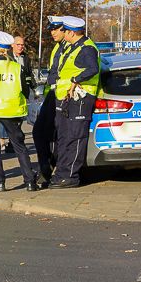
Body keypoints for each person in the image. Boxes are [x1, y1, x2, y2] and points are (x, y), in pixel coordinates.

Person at [0, 32, 38, 192]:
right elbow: (24, 90)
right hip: (11, 112)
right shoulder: (17, 68)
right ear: (7, 50)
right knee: (19, 147)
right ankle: (30, 181)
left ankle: (0, 182)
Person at [51, 16, 100, 189]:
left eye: (66, 31)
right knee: (65, 137)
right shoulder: (74, 47)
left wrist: (75, 79)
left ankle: (70, 176)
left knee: (75, 137)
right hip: (68, 98)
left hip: (81, 98)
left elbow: (93, 69)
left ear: (72, 32)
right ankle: (61, 174)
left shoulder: (86, 49)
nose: (63, 34)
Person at [32, 16, 67, 187]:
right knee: (40, 133)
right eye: (51, 29)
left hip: (65, 95)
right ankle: (45, 168)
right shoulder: (57, 47)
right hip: (53, 94)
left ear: (65, 29)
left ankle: (48, 169)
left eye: (56, 28)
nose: (52, 32)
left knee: (59, 136)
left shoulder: (73, 48)